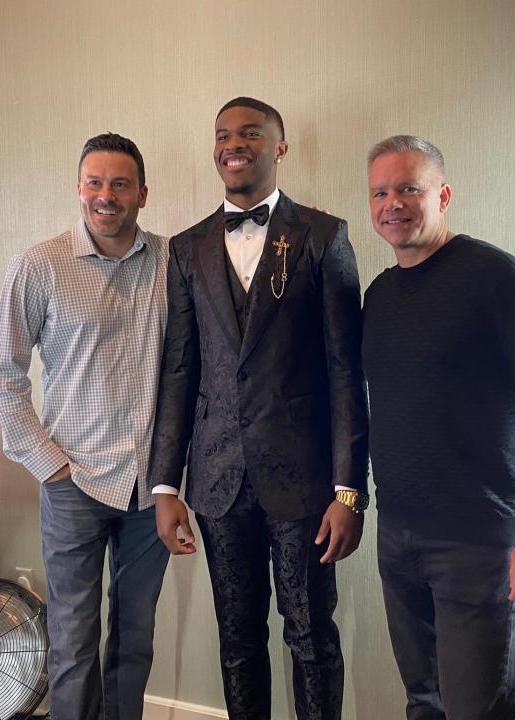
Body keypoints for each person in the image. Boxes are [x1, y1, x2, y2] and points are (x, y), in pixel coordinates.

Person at [148, 97, 369, 720]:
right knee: (238, 641)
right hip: (217, 483)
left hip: (304, 485)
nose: (233, 144)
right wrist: (166, 483)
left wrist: (349, 492)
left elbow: (345, 373)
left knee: (310, 638)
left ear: (280, 146)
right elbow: (180, 370)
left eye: (250, 133)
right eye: (222, 134)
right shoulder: (188, 249)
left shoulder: (324, 235)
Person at [361, 135, 515, 720]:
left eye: (409, 187)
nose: (393, 203)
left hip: (479, 540)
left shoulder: (498, 278)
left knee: (475, 709)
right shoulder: (379, 297)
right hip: (399, 534)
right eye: (380, 192)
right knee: (424, 702)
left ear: (444, 194)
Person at [0, 133, 170, 720]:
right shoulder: (40, 265)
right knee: (71, 641)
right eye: (94, 182)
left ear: (142, 193)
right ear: (78, 187)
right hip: (73, 486)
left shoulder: (174, 263)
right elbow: (1, 376)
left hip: (148, 488)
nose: (106, 196)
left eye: (120, 184)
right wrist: (52, 468)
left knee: (135, 638)